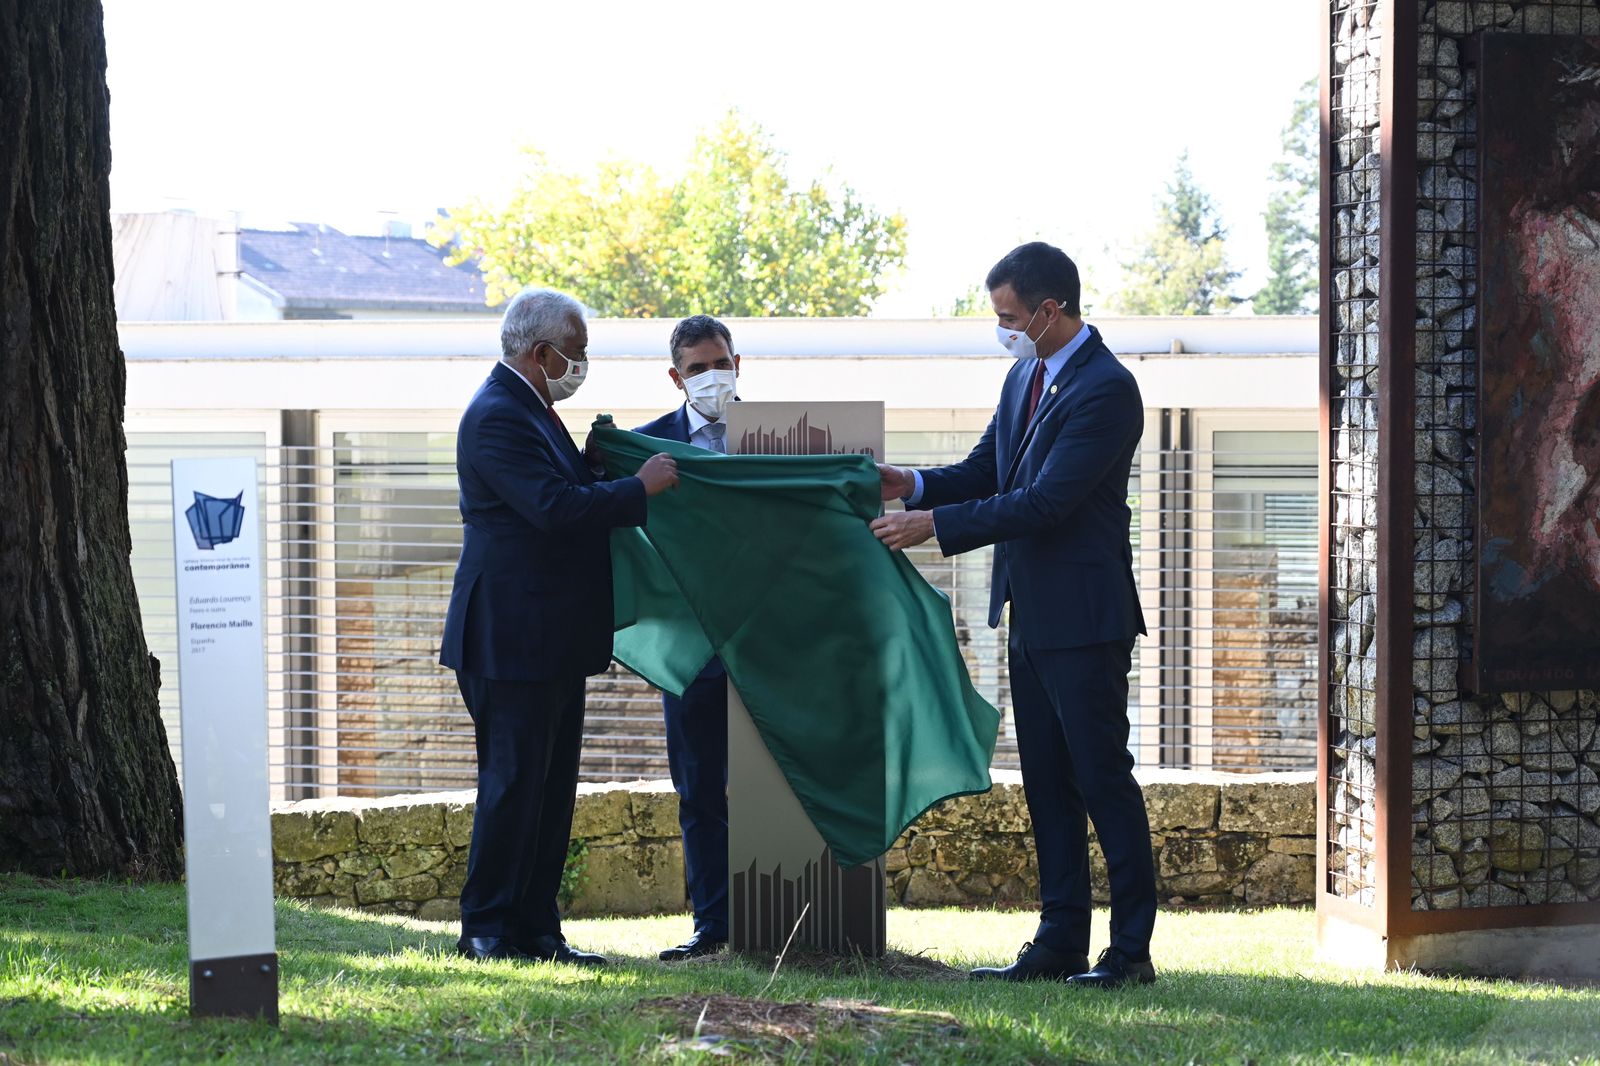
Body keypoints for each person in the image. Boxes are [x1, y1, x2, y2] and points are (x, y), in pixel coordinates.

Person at [870, 242, 1157, 988]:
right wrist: (913, 482)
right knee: (1046, 784)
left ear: (1049, 311)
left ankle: (1130, 953)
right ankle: (1059, 941)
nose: (1002, 329)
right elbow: (986, 472)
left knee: (1101, 780)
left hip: (1087, 621)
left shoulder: (1106, 389)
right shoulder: (1023, 375)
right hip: (1030, 616)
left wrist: (933, 528)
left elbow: (1045, 502)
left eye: (1009, 317)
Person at [440, 288, 679, 964]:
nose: (580, 366)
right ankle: (486, 929)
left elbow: (565, 487)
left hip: (548, 635)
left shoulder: (531, 409)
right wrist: (641, 488)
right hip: (507, 635)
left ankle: (538, 930)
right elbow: (552, 507)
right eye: (574, 355)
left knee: (549, 791)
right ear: (539, 352)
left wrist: (600, 464)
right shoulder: (497, 415)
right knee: (513, 786)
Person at [633, 314, 740, 961]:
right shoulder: (649, 450)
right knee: (701, 790)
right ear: (677, 378)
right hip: (693, 649)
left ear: (738, 364)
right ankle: (714, 927)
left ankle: (804, 917)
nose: (710, 376)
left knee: (789, 778)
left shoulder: (784, 438)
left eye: (719, 363)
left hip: (777, 645)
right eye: (697, 369)